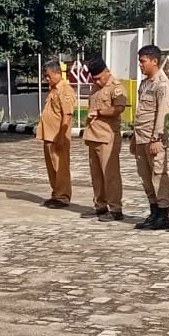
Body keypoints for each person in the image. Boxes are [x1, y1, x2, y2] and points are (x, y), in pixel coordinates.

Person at [132, 45, 169, 230]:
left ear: (154, 61)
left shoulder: (162, 84)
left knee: (158, 176)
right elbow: (141, 112)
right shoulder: (145, 83)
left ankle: (163, 214)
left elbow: (162, 113)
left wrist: (157, 138)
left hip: (153, 139)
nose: (140, 65)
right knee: (145, 177)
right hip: (141, 137)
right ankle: (154, 211)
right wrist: (134, 137)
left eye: (143, 61)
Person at [84, 59, 128, 222]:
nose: (96, 81)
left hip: (107, 137)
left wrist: (100, 112)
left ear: (107, 71)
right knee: (96, 175)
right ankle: (100, 205)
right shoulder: (96, 87)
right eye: (94, 79)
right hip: (93, 136)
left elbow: (119, 108)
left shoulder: (116, 88)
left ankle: (115, 208)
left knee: (110, 174)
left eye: (99, 78)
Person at [36, 59, 76, 208]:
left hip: (58, 136)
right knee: (52, 167)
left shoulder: (65, 90)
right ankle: (56, 193)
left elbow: (67, 115)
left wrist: (61, 135)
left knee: (61, 167)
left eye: (49, 75)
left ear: (58, 73)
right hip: (49, 135)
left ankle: (63, 196)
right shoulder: (53, 89)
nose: (47, 79)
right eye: (45, 76)